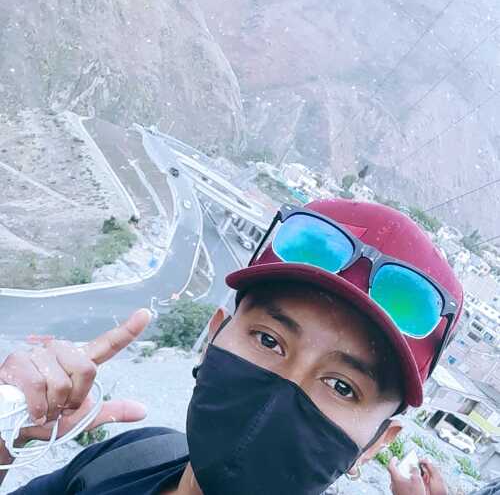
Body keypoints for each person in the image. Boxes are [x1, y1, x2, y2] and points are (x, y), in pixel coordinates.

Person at [0, 199, 464, 494]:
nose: (282, 391)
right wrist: (6, 433)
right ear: (211, 340)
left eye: (342, 386)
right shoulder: (127, 459)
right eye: (269, 340)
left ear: (376, 443)